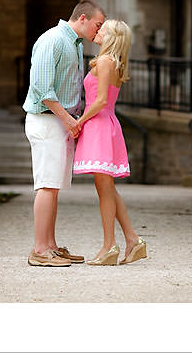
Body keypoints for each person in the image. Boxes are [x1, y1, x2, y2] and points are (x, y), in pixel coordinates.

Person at [22, 0, 106, 267]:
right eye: (98, 24)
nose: (98, 30)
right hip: (47, 121)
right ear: (82, 18)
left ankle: (50, 246)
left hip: (59, 123)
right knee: (46, 185)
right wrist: (70, 121)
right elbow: (42, 89)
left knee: (53, 187)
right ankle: (39, 250)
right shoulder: (53, 40)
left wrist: (71, 122)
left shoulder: (74, 44)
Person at [72, 19, 147, 266]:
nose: (99, 29)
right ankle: (132, 240)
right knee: (108, 188)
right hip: (107, 125)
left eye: (104, 28)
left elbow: (101, 100)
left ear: (112, 36)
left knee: (104, 189)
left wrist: (79, 121)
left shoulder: (104, 62)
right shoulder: (114, 63)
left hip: (99, 126)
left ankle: (108, 247)